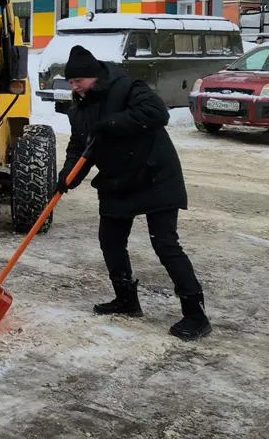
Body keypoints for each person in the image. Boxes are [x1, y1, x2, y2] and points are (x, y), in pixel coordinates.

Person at [57, 45, 212, 341]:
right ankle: (126, 299)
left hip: (155, 174)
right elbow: (80, 147)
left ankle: (196, 314)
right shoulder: (78, 108)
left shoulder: (126, 87)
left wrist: (111, 124)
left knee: (165, 244)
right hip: (118, 179)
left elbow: (157, 113)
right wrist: (68, 177)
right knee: (110, 241)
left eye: (78, 81)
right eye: (71, 83)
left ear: (93, 76)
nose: (73, 87)